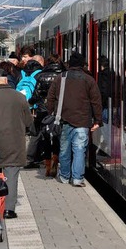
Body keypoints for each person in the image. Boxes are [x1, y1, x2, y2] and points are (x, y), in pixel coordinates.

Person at [0, 68, 33, 219]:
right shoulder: (20, 98)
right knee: (11, 174)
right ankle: (9, 209)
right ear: (6, 80)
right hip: (14, 143)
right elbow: (29, 121)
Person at [47, 51, 102, 187]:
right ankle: (77, 179)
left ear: (69, 64)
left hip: (64, 119)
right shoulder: (89, 79)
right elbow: (96, 101)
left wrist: (51, 113)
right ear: (82, 65)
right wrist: (97, 120)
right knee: (79, 150)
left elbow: (51, 97)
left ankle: (65, 176)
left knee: (64, 150)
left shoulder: (61, 78)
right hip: (82, 121)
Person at [29, 54, 66, 177]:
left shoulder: (40, 76)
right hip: (58, 111)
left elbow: (35, 95)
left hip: (43, 113)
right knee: (57, 137)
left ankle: (48, 166)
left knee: (45, 138)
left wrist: (32, 103)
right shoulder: (64, 75)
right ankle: (56, 160)